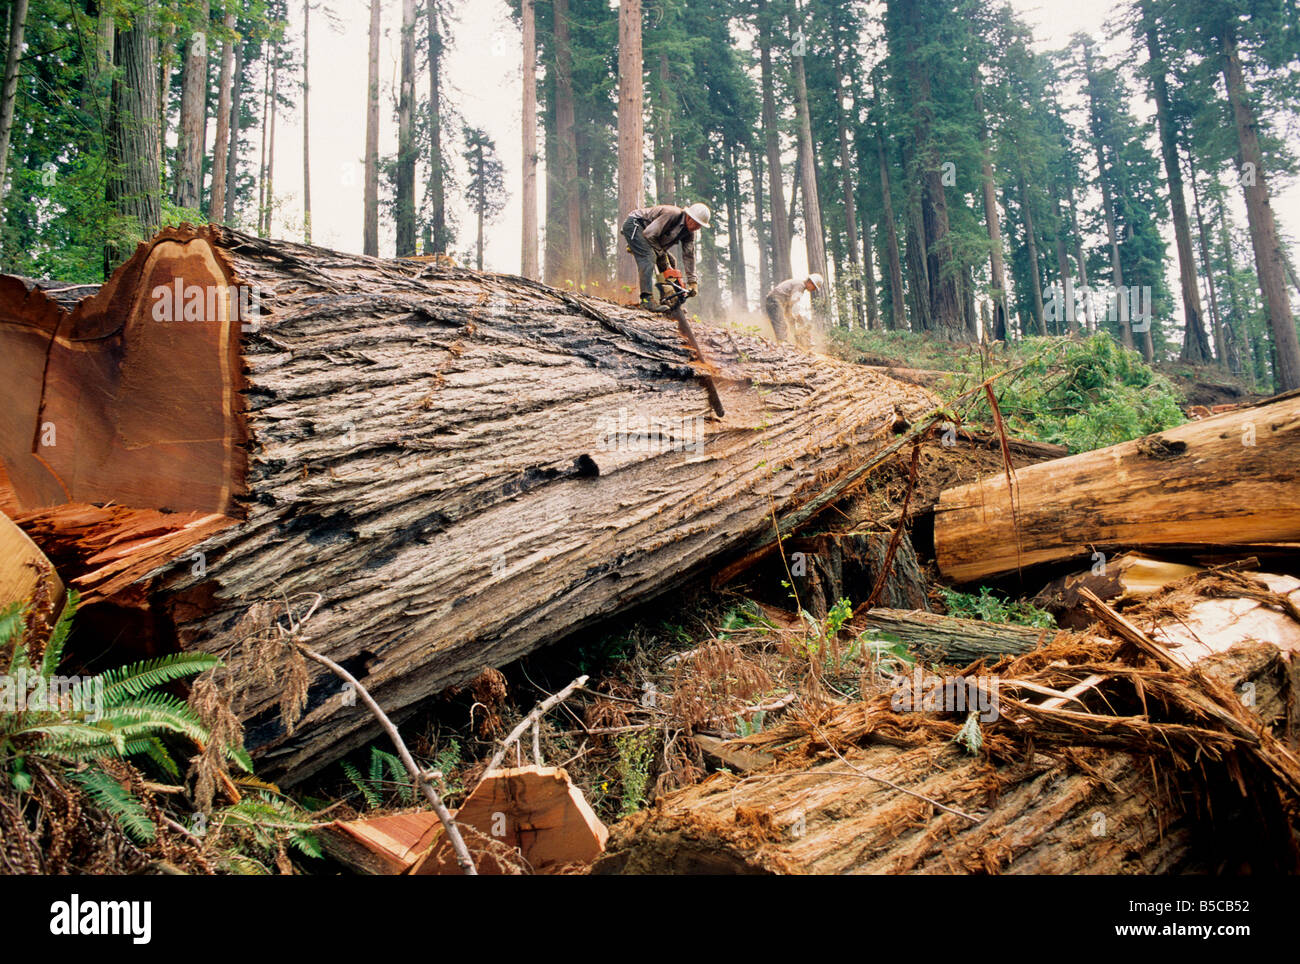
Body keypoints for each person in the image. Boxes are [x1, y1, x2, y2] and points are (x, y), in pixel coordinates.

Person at [621, 203, 711, 311]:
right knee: (649, 256)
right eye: (696, 224)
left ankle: (668, 300)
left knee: (671, 262)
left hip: (650, 236)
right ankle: (647, 300)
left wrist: (692, 282)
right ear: (689, 217)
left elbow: (689, 255)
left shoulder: (689, 233)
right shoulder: (672, 214)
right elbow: (649, 234)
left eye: (700, 226)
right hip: (635, 225)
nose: (697, 228)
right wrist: (661, 254)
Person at [765, 273, 824, 345]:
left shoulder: (798, 284)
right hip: (775, 300)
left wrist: (792, 317)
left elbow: (790, 304)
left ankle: (797, 342)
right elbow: (794, 302)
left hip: (778, 301)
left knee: (791, 321)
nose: (813, 290)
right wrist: (798, 316)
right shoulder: (800, 286)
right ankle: (783, 343)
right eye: (814, 287)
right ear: (810, 282)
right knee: (781, 323)